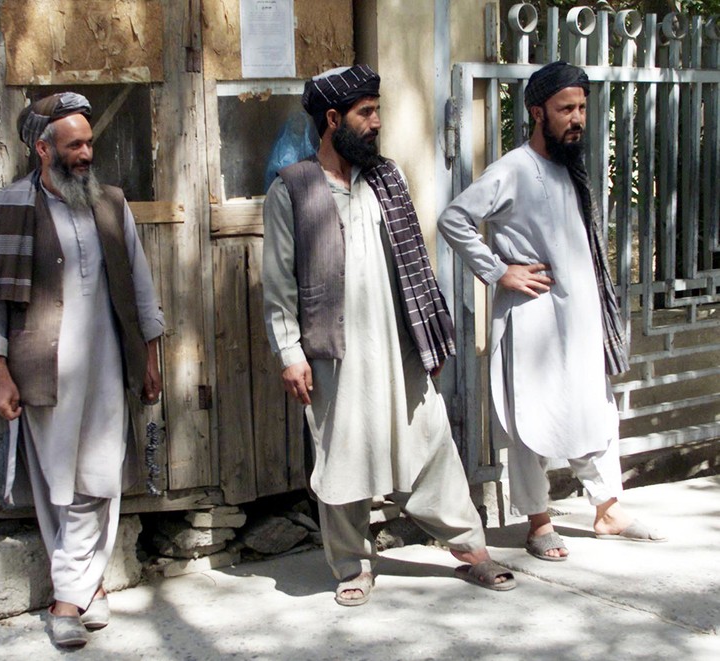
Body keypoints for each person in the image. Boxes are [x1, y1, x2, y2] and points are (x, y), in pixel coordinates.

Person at [262, 65, 515, 606]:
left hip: (400, 345)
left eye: (377, 110)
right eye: (366, 112)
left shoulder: (386, 179)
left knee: (431, 440)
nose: (377, 122)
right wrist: (289, 353)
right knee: (341, 454)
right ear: (333, 119)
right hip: (334, 351)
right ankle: (352, 565)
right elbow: (279, 283)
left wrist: (432, 334)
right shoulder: (292, 190)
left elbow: (416, 263)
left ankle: (472, 550)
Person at [437, 61, 666, 562]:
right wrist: (499, 271)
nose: (577, 118)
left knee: (594, 409)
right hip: (532, 319)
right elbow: (454, 218)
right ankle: (538, 522)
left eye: (582, 107)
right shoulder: (513, 169)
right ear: (538, 112)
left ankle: (607, 509)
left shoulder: (571, 168)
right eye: (566, 109)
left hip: (580, 318)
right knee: (530, 420)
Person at [0, 92, 164, 647]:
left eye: (89, 143)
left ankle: (64, 603)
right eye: (74, 145)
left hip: (107, 364)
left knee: (96, 478)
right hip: (42, 367)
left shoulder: (110, 202)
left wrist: (150, 357)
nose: (86, 154)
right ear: (42, 149)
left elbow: (141, 284)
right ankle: (88, 587)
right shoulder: (11, 206)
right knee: (57, 482)